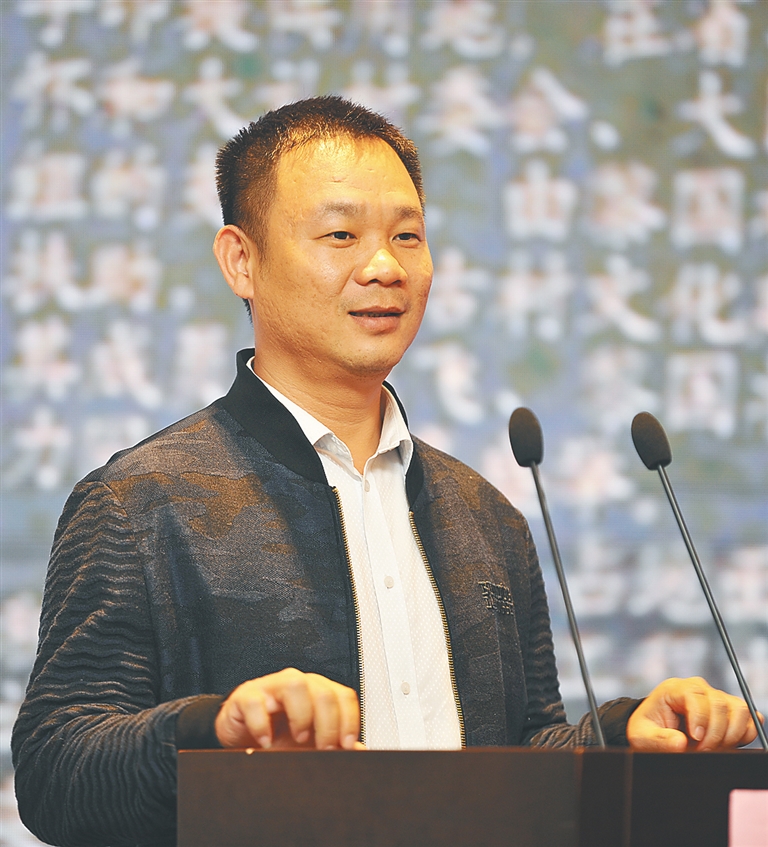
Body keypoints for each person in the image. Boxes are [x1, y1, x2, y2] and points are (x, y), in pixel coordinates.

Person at [12, 96, 761, 847]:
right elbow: (56, 769)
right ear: (242, 260)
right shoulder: (140, 502)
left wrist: (625, 733)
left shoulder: (485, 514)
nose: (384, 268)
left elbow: (518, 752)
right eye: (341, 235)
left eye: (407, 236)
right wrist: (214, 731)